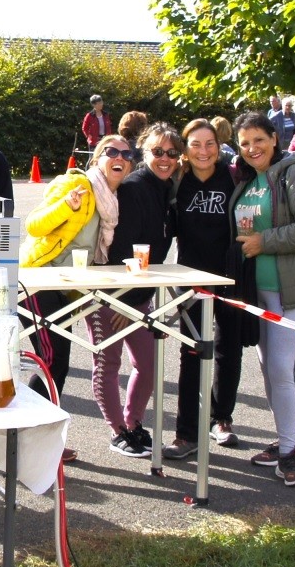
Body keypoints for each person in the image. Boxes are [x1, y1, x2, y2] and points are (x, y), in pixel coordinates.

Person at [232, 111, 295, 487]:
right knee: (269, 372)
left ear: (274, 138)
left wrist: (264, 241)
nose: (252, 148)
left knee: (281, 370)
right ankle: (287, 441)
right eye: (244, 143)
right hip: (259, 294)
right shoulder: (248, 180)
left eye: (258, 139)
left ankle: (290, 452)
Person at [19, 134, 128, 418]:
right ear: (97, 158)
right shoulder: (76, 185)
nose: (119, 158)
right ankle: (30, 432)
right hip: (36, 280)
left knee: (56, 362)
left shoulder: (115, 202)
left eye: (127, 155)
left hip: (68, 288)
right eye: (111, 151)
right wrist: (67, 206)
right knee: (52, 360)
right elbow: (34, 226)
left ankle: (40, 438)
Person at [102, 123, 180, 458]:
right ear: (143, 153)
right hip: (113, 293)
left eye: (172, 153)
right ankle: (119, 431)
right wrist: (122, 301)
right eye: (157, 152)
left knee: (148, 364)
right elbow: (124, 249)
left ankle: (134, 424)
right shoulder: (135, 187)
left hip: (140, 294)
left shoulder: (166, 187)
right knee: (108, 362)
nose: (165, 158)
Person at [171, 119, 244, 453]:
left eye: (210, 143)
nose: (203, 151)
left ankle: (221, 419)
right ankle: (186, 433)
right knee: (192, 352)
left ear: (219, 146)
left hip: (229, 277)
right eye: (196, 144)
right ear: (185, 148)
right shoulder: (177, 180)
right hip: (190, 280)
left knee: (228, 349)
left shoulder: (233, 177)